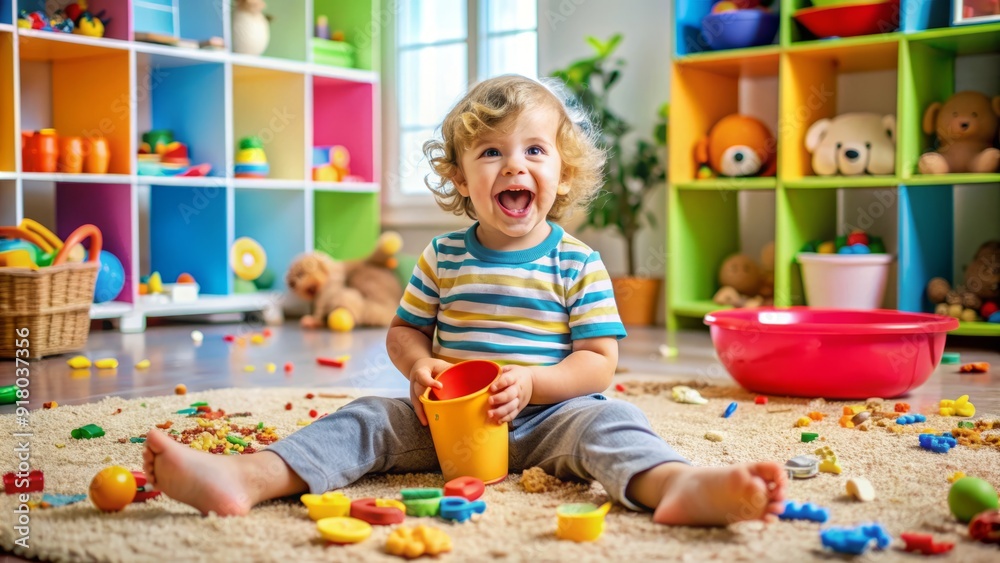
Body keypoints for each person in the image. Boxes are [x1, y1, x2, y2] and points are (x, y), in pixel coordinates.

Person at [143, 75, 787, 526]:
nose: (515, 166)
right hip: (447, 423)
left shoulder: (578, 262)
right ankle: (247, 478)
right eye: (491, 152)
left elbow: (599, 363)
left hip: (551, 419)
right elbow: (403, 333)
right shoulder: (443, 258)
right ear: (458, 176)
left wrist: (534, 384)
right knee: (366, 417)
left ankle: (680, 486)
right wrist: (419, 368)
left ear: (561, 172)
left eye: (535, 151)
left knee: (614, 423)